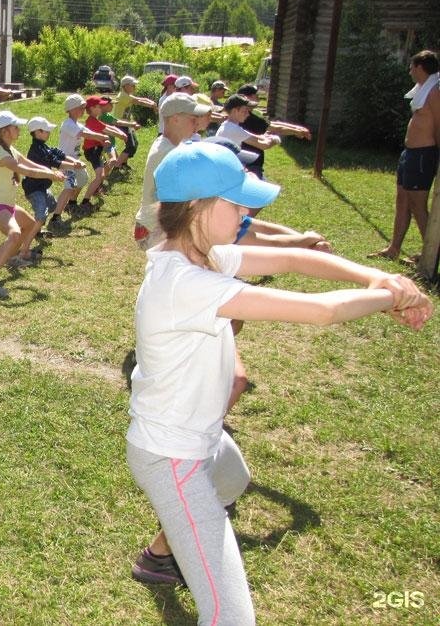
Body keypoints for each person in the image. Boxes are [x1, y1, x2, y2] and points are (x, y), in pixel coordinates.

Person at [127, 140, 433, 625]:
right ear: (201, 209)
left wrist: (376, 277)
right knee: (233, 618)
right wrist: (394, 297)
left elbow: (292, 260)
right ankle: (177, 544)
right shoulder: (185, 283)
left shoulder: (200, 256)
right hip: (172, 457)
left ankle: (162, 554)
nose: (247, 211)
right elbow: (323, 311)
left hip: (198, 438)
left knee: (233, 478)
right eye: (237, 202)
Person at [0, 111, 65, 299]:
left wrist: (54, 169)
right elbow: (26, 171)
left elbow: (31, 164)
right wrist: (51, 175)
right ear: (5, 132)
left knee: (31, 225)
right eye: (15, 127)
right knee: (15, 234)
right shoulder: (1, 155)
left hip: (7, 205)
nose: (19, 130)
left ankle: (13, 258)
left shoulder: (10, 150)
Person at [371, 49, 440, 262]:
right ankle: (393, 249)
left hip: (423, 154)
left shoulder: (435, 91)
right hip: (409, 153)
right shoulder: (422, 89)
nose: (409, 70)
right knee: (402, 200)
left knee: (417, 205)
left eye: (412, 66)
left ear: (420, 67)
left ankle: (431, 254)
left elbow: (438, 123)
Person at [133, 93, 213, 250]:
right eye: (193, 118)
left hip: (158, 225)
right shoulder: (168, 152)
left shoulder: (169, 144)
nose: (197, 123)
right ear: (175, 119)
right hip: (156, 229)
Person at [24, 116, 83, 236]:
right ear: (38, 132)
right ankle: (34, 232)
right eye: (46, 130)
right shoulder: (37, 150)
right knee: (42, 213)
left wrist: (73, 161)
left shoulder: (44, 146)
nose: (49, 132)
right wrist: (74, 166)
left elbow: (58, 153)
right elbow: (55, 162)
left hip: (43, 187)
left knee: (52, 206)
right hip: (34, 189)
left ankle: (36, 226)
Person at [215, 94, 282, 179]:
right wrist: (276, 139)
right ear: (235, 111)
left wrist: (265, 136)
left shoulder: (229, 125)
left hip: (227, 168)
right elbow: (264, 145)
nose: (248, 114)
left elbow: (254, 136)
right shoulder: (233, 129)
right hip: (228, 173)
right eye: (245, 111)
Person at [82, 95, 128, 205]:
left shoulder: (95, 119)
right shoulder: (92, 121)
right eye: (99, 106)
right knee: (100, 176)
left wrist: (120, 133)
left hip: (98, 149)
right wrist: (120, 135)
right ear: (92, 108)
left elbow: (108, 127)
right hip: (92, 151)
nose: (101, 108)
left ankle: (94, 191)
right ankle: (85, 202)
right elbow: (107, 129)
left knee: (104, 171)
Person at [54, 93, 93, 218]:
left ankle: (71, 202)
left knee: (83, 179)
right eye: (81, 108)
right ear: (72, 109)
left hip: (75, 160)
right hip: (66, 161)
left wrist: (103, 135)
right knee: (69, 187)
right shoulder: (68, 124)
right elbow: (84, 134)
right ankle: (56, 217)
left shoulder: (76, 124)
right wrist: (102, 137)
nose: (83, 110)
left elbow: (89, 132)